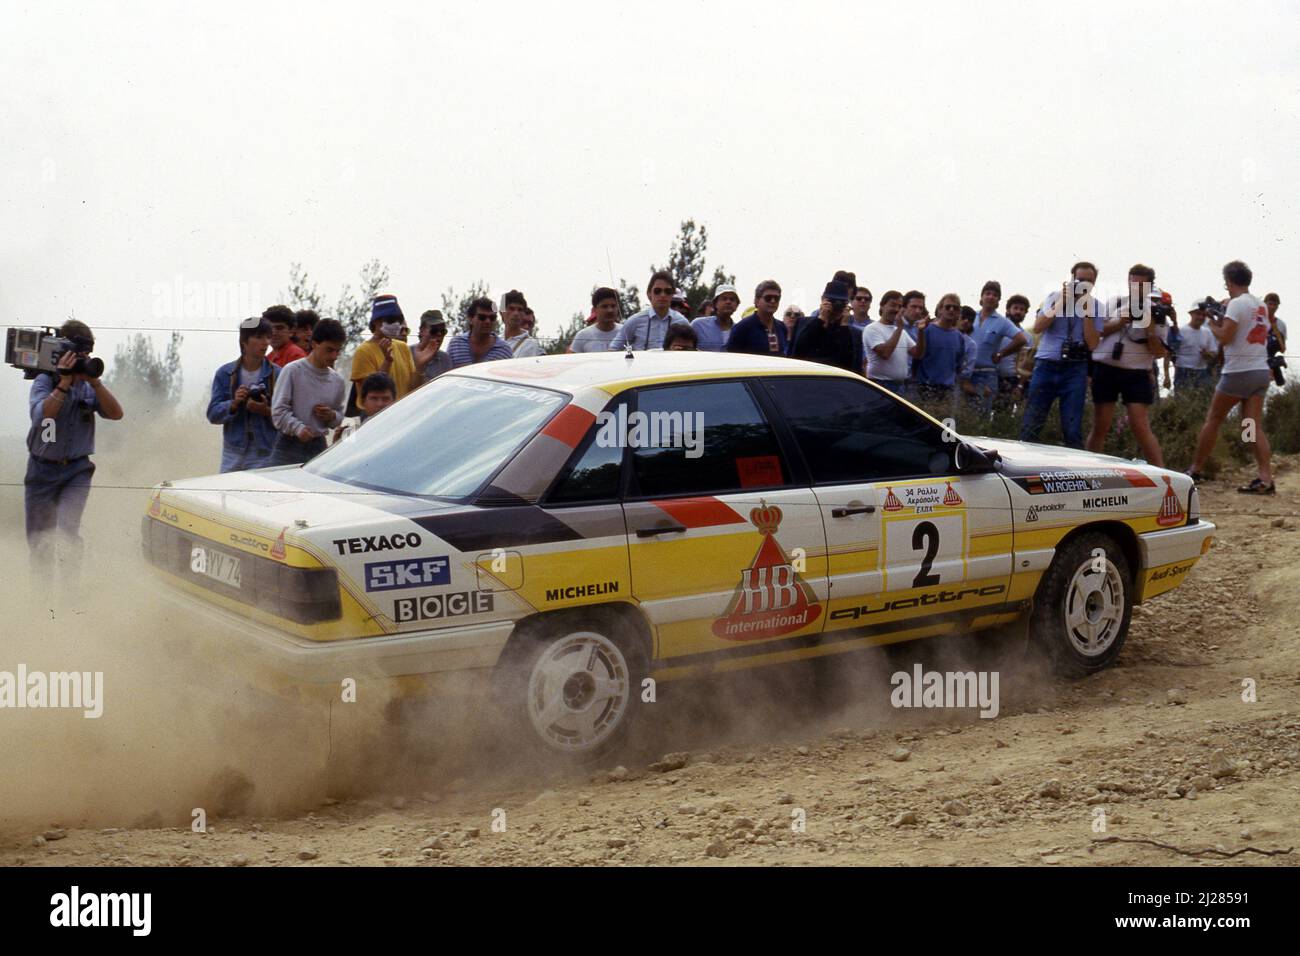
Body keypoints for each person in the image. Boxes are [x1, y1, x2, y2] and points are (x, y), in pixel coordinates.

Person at [24, 319, 124, 579]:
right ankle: (42, 604)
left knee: (67, 533)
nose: (84, 360)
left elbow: (116, 414)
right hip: (41, 471)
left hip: (76, 471)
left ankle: (70, 598)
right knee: (39, 543)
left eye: (87, 355)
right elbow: (42, 417)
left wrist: (96, 383)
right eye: (79, 355)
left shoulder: (89, 387)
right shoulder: (44, 381)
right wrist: (64, 383)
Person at [1188, 260, 1275, 494]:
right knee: (1251, 426)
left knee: (1213, 420)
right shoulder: (1260, 305)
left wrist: (1210, 322)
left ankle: (1195, 470)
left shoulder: (1236, 304)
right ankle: (1265, 478)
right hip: (1259, 372)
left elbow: (1225, 337)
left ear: (1228, 281)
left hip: (1237, 373)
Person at [1085, 264, 1169, 466]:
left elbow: (1159, 353)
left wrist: (1149, 329)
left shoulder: (1156, 312)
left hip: (1137, 372)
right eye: (1133, 283)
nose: (1136, 288)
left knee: (1140, 426)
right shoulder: (1115, 303)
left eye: (1141, 285)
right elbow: (1097, 331)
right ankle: (1091, 470)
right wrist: (1122, 321)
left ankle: (1163, 475)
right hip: (1106, 368)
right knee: (1100, 426)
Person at [1019, 261, 1105, 448]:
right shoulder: (1054, 297)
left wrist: (1087, 312)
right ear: (1071, 279)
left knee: (1072, 428)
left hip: (1075, 368)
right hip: (1046, 365)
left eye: (1088, 282)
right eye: (1080, 280)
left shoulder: (1097, 306)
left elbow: (1092, 343)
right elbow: (1038, 327)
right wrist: (1061, 304)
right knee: (1032, 423)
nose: (1083, 285)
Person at [268, 318, 347, 466]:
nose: (334, 356)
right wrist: (298, 428)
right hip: (287, 446)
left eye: (338, 351)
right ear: (314, 344)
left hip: (318, 445)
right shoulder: (292, 371)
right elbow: (278, 411)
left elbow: (339, 417)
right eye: (329, 350)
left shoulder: (337, 381)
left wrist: (330, 415)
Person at [207, 316, 279, 472]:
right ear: (244, 341)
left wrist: (264, 410)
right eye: (259, 337)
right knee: (227, 493)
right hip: (233, 451)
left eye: (267, 337)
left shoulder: (277, 374)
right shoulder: (225, 373)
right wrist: (233, 403)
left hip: (264, 452)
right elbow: (212, 414)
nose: (265, 342)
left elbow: (285, 416)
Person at [967, 281, 1028, 414]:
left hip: (987, 374)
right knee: (964, 414)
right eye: (987, 293)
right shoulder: (971, 317)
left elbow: (1021, 339)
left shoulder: (1002, 321)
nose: (991, 297)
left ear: (998, 301)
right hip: (967, 373)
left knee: (982, 415)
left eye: (995, 295)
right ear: (981, 297)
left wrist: (1001, 354)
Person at [913, 293, 976, 404]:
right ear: (940, 309)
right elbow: (917, 358)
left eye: (955, 308)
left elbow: (958, 366)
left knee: (945, 421)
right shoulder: (927, 330)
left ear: (958, 312)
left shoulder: (959, 337)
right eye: (947, 307)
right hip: (925, 387)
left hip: (947, 390)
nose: (951, 310)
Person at [351, 294, 417, 400]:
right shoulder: (363, 352)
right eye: (391, 319)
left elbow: (413, 389)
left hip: (403, 413)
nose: (396, 324)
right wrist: (387, 362)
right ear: (376, 322)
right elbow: (370, 394)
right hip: (377, 415)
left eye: (399, 320)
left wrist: (421, 364)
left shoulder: (403, 348)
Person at [864, 290, 926, 395]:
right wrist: (900, 328)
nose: (896, 310)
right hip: (880, 385)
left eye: (899, 306)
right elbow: (885, 353)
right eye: (893, 305)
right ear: (882, 306)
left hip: (900, 386)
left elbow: (918, 354)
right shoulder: (872, 329)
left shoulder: (901, 332)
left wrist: (920, 331)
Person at [609, 271, 688, 350]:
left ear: (672, 294)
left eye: (667, 291)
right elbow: (613, 349)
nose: (663, 295)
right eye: (657, 291)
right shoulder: (635, 321)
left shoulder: (682, 322)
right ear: (649, 293)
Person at [792, 280, 857, 371]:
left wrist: (844, 325)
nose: (836, 306)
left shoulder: (852, 333)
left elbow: (847, 361)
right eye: (832, 301)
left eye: (841, 302)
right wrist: (821, 319)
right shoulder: (803, 323)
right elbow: (798, 351)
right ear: (823, 300)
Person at [1163, 298, 1217, 393]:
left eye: (1203, 315)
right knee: (1182, 402)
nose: (1200, 317)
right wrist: (1167, 376)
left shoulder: (1207, 333)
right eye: (1198, 314)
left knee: (1201, 403)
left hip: (1202, 372)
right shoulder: (1181, 331)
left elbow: (1213, 354)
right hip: (1183, 372)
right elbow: (1168, 354)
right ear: (1191, 314)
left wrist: (1207, 355)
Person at [726, 280, 788, 356]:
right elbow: (732, 357)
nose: (773, 301)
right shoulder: (742, 328)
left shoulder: (781, 327)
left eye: (776, 298)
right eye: (768, 298)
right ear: (757, 301)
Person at [448, 297, 516, 365]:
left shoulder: (503, 350)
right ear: (470, 319)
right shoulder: (456, 344)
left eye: (492, 318)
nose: (487, 321)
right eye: (482, 317)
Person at [570, 288, 623, 353]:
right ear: (595, 309)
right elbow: (572, 361)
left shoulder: (626, 332)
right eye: (604, 306)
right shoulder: (582, 336)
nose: (610, 310)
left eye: (613, 306)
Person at [691, 283, 740, 351]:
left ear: (736, 306)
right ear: (715, 303)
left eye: (732, 299)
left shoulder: (740, 331)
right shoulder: (698, 325)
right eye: (724, 299)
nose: (728, 302)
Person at [1001, 294, 1031, 400]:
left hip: (1013, 380)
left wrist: (1020, 385)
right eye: (1015, 308)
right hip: (992, 377)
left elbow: (1027, 364)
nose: (1018, 312)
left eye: (1022, 309)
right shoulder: (998, 329)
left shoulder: (1027, 337)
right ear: (1008, 310)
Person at [501, 290, 545, 357]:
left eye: (520, 310)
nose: (516, 313)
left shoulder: (531, 344)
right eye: (511, 309)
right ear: (502, 312)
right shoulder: (495, 341)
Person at [413, 309, 453, 382]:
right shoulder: (407, 354)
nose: (439, 334)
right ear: (422, 330)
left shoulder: (445, 359)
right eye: (434, 331)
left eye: (443, 331)